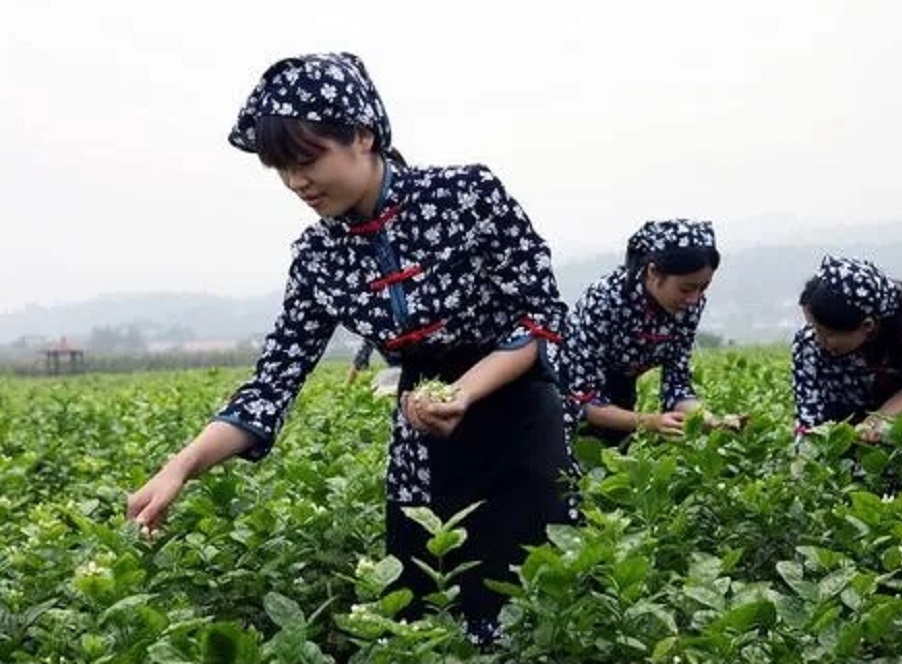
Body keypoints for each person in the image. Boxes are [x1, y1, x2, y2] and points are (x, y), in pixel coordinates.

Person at [126, 52, 574, 644]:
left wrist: (463, 392)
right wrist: (180, 467)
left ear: (363, 134)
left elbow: (539, 319)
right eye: (281, 169)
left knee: (532, 613)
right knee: (427, 624)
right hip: (422, 439)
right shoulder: (318, 259)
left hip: (518, 423)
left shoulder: (467, 195)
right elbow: (271, 386)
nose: (297, 183)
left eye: (307, 160)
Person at [560, 219, 732, 448]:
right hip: (565, 388)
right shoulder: (605, 300)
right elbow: (585, 400)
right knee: (576, 456)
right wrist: (649, 421)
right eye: (686, 288)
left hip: (621, 386)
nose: (694, 299)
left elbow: (677, 387)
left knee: (616, 454)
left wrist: (711, 420)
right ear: (653, 273)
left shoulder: (688, 307)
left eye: (703, 288)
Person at [792, 255, 902, 447]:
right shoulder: (808, 344)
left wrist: (881, 418)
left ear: (867, 326)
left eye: (827, 334)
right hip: (841, 434)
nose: (818, 340)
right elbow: (808, 421)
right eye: (813, 327)